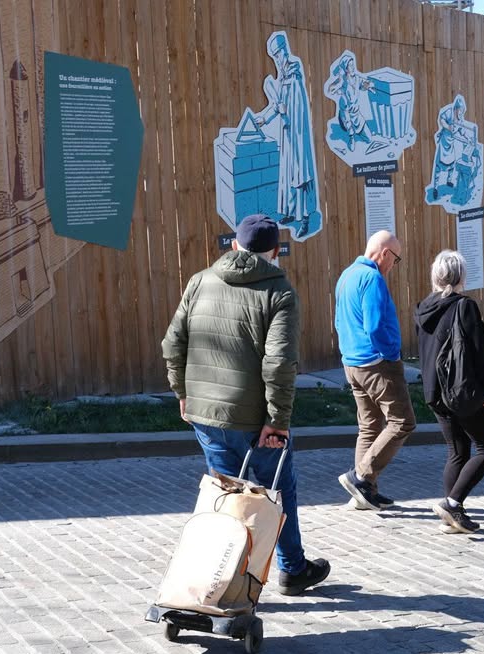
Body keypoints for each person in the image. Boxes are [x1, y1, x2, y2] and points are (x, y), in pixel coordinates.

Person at [162, 214, 330, 596]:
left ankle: (226, 581)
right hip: (255, 418)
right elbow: (279, 362)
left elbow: (172, 344)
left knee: (227, 500)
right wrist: (279, 420)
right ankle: (291, 569)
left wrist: (182, 392)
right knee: (276, 489)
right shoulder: (279, 292)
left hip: (207, 414)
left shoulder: (200, 281)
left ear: (235, 245)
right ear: (275, 252)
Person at [415, 250, 484, 534]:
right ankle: (452, 504)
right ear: (461, 276)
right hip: (460, 392)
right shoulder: (464, 306)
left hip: (434, 391)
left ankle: (452, 515)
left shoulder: (425, 307)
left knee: (457, 450)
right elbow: (479, 354)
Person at [333, 230, 417, 511]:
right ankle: (361, 477)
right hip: (376, 364)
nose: (394, 265)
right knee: (402, 422)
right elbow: (376, 326)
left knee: (369, 426)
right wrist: (391, 354)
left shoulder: (347, 275)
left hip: (352, 363)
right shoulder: (372, 278)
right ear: (384, 254)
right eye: (396, 259)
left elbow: (338, 321)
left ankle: (364, 493)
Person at [256, 32, 319, 239]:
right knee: (287, 173)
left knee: (299, 173)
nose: (277, 59)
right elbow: (278, 104)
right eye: (274, 57)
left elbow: (296, 106)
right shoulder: (283, 76)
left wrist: (286, 112)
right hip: (287, 132)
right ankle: (291, 211)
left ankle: (305, 218)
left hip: (297, 133)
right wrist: (265, 119)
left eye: (278, 55)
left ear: (284, 51)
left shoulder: (294, 72)